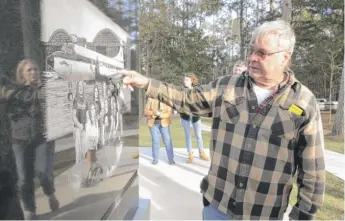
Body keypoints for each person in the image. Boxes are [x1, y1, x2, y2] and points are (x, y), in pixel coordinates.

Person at [121, 20, 325, 220]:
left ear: (285, 57)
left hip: (264, 214)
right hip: (217, 208)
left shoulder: (303, 102)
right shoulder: (227, 86)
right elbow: (186, 98)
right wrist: (146, 82)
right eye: (251, 50)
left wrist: (303, 215)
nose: (252, 58)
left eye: (262, 53)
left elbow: (312, 168)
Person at [9, 59, 59, 220]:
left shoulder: (45, 89)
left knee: (43, 172)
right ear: (22, 74)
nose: (33, 72)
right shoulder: (15, 92)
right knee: (24, 178)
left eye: (35, 70)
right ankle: (30, 210)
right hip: (19, 139)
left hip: (42, 137)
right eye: (29, 70)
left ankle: (50, 193)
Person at [0, 71, 44, 220]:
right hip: (14, 139)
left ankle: (28, 210)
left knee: (25, 176)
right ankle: (28, 209)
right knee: (24, 177)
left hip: (17, 140)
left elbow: (26, 99)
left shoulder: (12, 88)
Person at [180, 73, 209, 163]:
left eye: (187, 80)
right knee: (188, 136)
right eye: (184, 80)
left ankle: (201, 152)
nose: (185, 82)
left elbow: (200, 103)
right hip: (185, 117)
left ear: (192, 81)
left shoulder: (196, 91)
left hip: (195, 117)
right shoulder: (182, 91)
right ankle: (190, 154)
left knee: (198, 136)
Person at [144, 97, 175, 165]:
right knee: (155, 141)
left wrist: (160, 114)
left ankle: (171, 159)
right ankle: (155, 159)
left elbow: (169, 112)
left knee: (167, 141)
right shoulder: (151, 99)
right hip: (153, 124)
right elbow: (146, 111)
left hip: (165, 124)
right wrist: (153, 113)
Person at [72, 80, 87, 164]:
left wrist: (86, 126)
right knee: (78, 152)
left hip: (84, 129)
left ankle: (82, 170)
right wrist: (79, 125)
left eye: (82, 86)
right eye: (79, 86)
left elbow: (87, 114)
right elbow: (73, 116)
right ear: (77, 88)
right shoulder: (75, 100)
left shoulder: (85, 100)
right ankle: (77, 170)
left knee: (84, 150)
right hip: (77, 128)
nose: (81, 88)